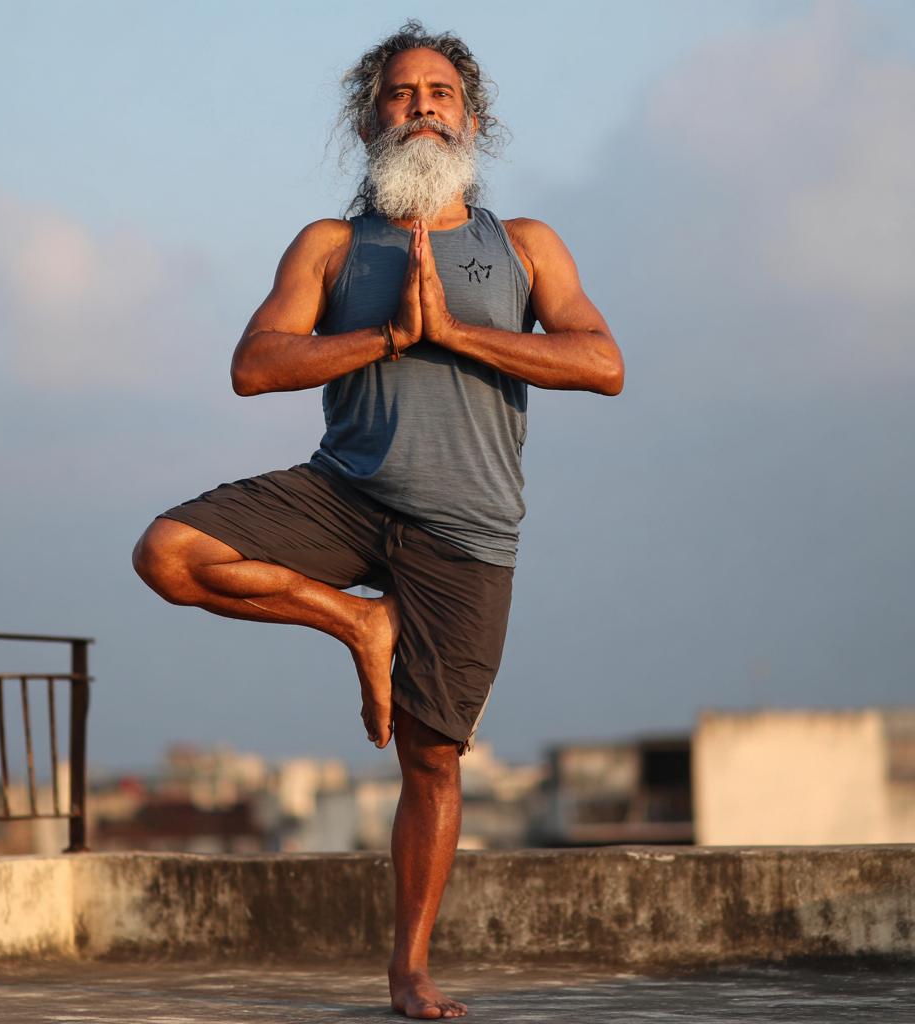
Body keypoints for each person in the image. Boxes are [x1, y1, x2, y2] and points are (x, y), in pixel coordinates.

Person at [133, 20, 623, 1019]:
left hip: (467, 527)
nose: (423, 106)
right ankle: (355, 619)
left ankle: (409, 969)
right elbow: (254, 365)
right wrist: (385, 337)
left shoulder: (522, 246)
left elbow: (601, 362)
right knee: (167, 552)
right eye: (401, 93)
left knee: (432, 759)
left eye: (441, 92)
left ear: (471, 121)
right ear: (370, 121)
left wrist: (459, 339)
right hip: (344, 493)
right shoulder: (330, 245)